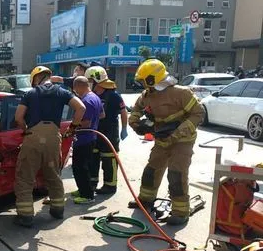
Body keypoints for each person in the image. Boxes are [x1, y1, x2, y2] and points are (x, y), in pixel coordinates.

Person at [128, 58, 205, 226]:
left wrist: (177, 132)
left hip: (183, 140)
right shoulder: (147, 94)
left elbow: (198, 113)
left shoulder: (181, 93)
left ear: (152, 79)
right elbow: (137, 108)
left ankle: (180, 211)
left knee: (176, 174)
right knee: (151, 170)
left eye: (143, 80)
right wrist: (134, 122)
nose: (142, 84)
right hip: (162, 138)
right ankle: (146, 201)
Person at [12, 66, 86, 227]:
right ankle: (57, 210)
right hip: (53, 137)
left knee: (25, 177)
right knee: (53, 174)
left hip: (33, 138)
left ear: (35, 79)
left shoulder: (30, 94)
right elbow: (81, 108)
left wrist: (25, 130)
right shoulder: (62, 92)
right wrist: (72, 128)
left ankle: (25, 216)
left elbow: (18, 117)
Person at [85, 66, 128, 195]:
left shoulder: (113, 95)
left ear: (96, 80)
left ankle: (110, 186)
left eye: (90, 80)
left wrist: (124, 128)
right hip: (95, 133)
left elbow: (123, 111)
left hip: (110, 133)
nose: (89, 83)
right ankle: (92, 183)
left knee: (109, 161)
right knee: (93, 159)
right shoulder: (91, 95)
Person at [70, 76, 104, 204]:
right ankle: (82, 189)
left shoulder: (86, 101)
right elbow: (102, 114)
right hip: (91, 137)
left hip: (84, 138)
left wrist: (72, 126)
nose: (75, 92)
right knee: (83, 166)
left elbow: (86, 123)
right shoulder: (95, 97)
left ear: (79, 86)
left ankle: (87, 195)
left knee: (80, 167)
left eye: (75, 89)